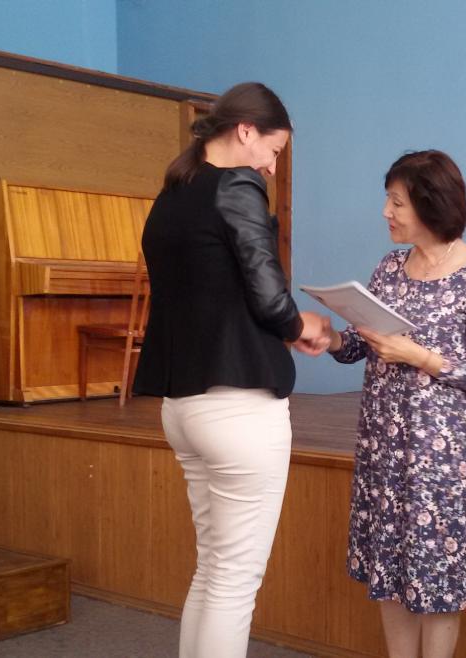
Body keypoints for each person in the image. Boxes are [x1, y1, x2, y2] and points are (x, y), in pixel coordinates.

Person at [132, 82, 330, 658]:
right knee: (234, 580)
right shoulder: (237, 185)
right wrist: (299, 325)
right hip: (239, 408)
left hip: (183, 406)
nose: (272, 166)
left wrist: (285, 324)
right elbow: (268, 296)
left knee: (213, 571)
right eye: (274, 150)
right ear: (246, 131)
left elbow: (214, 292)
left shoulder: (172, 194)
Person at [324, 150, 466, 658]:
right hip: (385, 446)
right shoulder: (389, 267)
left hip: (443, 458)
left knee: (439, 577)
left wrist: (420, 356)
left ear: (431, 204)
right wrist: (331, 339)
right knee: (389, 572)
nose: (386, 212)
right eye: (388, 200)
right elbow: (361, 343)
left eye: (397, 202)